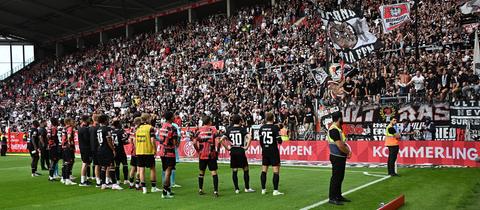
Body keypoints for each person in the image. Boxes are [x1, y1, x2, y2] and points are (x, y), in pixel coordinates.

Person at [221, 114, 255, 194]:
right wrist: (246, 147)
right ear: (240, 121)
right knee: (245, 169)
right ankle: (247, 188)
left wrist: (227, 148)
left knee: (234, 170)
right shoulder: (242, 129)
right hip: (240, 150)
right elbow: (249, 137)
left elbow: (221, 139)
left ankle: (236, 189)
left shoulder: (229, 129)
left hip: (233, 150)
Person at [327, 112, 352, 205]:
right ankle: (332, 197)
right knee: (336, 177)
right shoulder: (334, 130)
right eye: (341, 118)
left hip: (340, 156)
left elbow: (343, 143)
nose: (342, 120)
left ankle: (338, 195)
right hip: (336, 156)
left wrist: (346, 152)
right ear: (339, 119)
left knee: (340, 177)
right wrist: (348, 152)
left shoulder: (337, 129)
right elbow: (340, 145)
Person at [193, 115, 221, 197]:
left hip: (202, 154)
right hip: (211, 154)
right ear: (209, 122)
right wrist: (217, 150)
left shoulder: (199, 130)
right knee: (214, 172)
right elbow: (218, 141)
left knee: (201, 172)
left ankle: (200, 189)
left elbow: (194, 142)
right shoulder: (213, 129)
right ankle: (215, 191)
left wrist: (198, 151)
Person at [259, 112, 284, 196]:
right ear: (273, 118)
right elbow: (280, 141)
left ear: (266, 118)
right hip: (273, 150)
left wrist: (264, 148)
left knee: (264, 170)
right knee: (276, 171)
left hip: (265, 150)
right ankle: (275, 191)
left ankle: (263, 189)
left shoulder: (261, 128)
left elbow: (261, 142)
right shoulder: (275, 128)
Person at [96, 114, 122, 190]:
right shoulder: (107, 129)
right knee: (111, 166)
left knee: (103, 167)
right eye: (107, 119)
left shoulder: (99, 129)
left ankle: (103, 184)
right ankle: (114, 184)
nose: (108, 120)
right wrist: (113, 149)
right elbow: (109, 140)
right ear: (105, 120)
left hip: (100, 149)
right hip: (106, 150)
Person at [135, 113, 159, 194]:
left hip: (139, 151)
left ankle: (144, 188)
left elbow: (134, 141)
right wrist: (155, 149)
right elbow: (152, 140)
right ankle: (153, 187)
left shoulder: (137, 128)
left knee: (141, 169)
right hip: (148, 151)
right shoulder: (150, 128)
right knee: (152, 168)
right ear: (148, 119)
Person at [158, 111, 179, 199]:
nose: (174, 117)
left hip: (162, 151)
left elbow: (160, 139)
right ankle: (164, 192)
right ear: (170, 117)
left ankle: (168, 190)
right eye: (173, 116)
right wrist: (178, 141)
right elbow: (175, 143)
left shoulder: (162, 127)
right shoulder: (172, 128)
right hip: (169, 152)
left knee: (166, 171)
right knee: (168, 171)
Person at [112, 119, 129, 185]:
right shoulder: (121, 132)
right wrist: (128, 135)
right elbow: (124, 139)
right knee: (125, 164)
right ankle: (125, 179)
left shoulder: (112, 132)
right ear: (118, 125)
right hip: (121, 150)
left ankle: (118, 180)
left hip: (115, 150)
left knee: (117, 165)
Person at [61, 118, 76, 185]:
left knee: (65, 162)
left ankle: (63, 178)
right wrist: (70, 144)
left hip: (63, 147)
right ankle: (67, 179)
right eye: (72, 121)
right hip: (68, 147)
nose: (73, 122)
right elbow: (69, 136)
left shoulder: (64, 128)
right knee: (69, 162)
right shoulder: (70, 128)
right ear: (69, 122)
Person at [128, 117, 142, 190]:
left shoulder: (132, 129)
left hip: (133, 151)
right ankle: (137, 184)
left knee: (133, 167)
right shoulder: (139, 129)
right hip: (138, 151)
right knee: (139, 168)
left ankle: (131, 183)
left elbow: (130, 140)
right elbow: (134, 140)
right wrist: (137, 148)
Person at [78, 115, 92, 186]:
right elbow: (87, 139)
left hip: (83, 147)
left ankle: (85, 179)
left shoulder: (80, 127)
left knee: (86, 163)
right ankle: (82, 181)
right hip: (85, 148)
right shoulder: (84, 129)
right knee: (85, 163)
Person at [89, 114, 101, 187]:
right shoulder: (99, 128)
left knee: (96, 164)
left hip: (92, 148)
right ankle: (103, 179)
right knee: (101, 165)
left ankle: (98, 180)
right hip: (99, 148)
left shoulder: (90, 128)